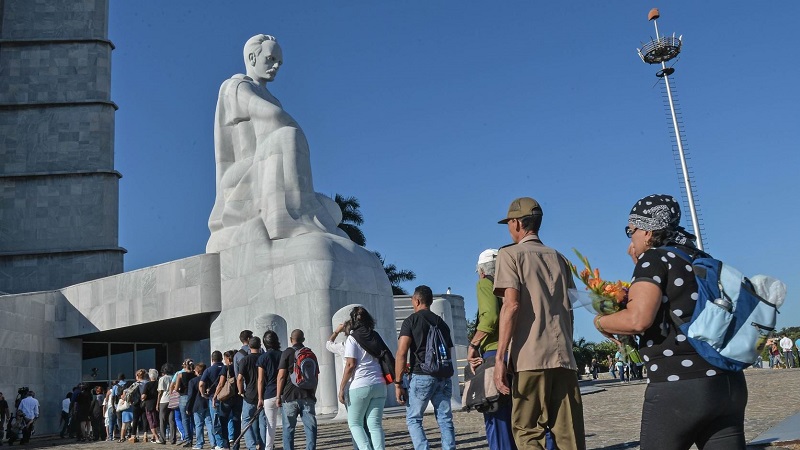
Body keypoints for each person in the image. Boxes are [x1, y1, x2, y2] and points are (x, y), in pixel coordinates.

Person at [593, 194, 748, 449]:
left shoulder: (655, 260)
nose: (629, 240)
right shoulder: (700, 257)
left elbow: (638, 320)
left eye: (630, 231)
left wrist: (601, 322)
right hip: (728, 385)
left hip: (680, 385)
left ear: (646, 230)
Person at [207, 34, 346, 252]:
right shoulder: (235, 86)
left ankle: (300, 215)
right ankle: (288, 221)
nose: (275, 66)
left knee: (332, 210)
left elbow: (275, 114)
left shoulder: (272, 97)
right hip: (242, 174)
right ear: (252, 57)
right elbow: (271, 116)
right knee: (287, 136)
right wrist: (294, 129)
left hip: (268, 166)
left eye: (279, 63)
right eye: (271, 59)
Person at [493, 197, 585, 450]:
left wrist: (501, 358)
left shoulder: (509, 255)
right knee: (570, 436)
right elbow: (570, 309)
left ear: (516, 223)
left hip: (529, 357)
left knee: (527, 431)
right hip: (564, 357)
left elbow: (511, 305)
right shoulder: (560, 258)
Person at [466, 249, 517, 450]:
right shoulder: (511, 286)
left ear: (481, 270)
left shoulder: (485, 283)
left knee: (496, 415)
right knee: (512, 414)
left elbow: (490, 317)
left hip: (494, 353)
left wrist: (474, 344)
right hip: (513, 352)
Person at [395, 285, 456, 450]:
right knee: (445, 418)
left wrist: (398, 382)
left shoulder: (411, 321)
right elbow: (448, 352)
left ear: (417, 300)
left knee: (414, 418)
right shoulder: (442, 323)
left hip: (421, 375)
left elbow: (401, 353)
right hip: (443, 375)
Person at [339, 306, 389, 450]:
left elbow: (350, 364)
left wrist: (342, 387)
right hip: (379, 384)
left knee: (355, 423)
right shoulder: (375, 335)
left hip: (360, 385)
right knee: (375, 425)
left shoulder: (352, 338)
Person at [327, 320, 371, 450]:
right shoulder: (365, 342)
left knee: (355, 423)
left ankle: (359, 447)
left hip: (352, 386)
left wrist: (336, 331)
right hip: (370, 383)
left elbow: (328, 345)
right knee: (368, 423)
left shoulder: (344, 345)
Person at [276, 329, 318, 450]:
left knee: (289, 429)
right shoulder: (310, 353)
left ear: (290, 339)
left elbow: (281, 376)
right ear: (303, 340)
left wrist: (278, 396)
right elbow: (315, 376)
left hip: (289, 396)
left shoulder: (287, 352)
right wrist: (312, 393)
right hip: (308, 396)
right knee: (310, 428)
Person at [238, 337, 266, 450]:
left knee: (246, 420)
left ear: (249, 347)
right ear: (260, 346)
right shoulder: (264, 358)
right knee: (263, 422)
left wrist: (240, 391)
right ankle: (264, 445)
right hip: (264, 394)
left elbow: (239, 378)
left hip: (249, 394)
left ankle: (252, 446)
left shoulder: (245, 360)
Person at [257, 330, 283, 450]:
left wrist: (260, 398)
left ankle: (268, 447)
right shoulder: (283, 355)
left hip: (269, 393)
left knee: (270, 425)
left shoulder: (263, 358)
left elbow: (261, 380)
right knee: (287, 423)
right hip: (283, 393)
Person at [213, 350, 242, 450]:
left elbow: (221, 384)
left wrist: (215, 396)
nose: (224, 361)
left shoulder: (226, 368)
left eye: (225, 358)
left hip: (227, 398)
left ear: (228, 358)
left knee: (223, 421)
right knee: (237, 421)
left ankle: (226, 445)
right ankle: (236, 445)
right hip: (238, 397)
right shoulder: (239, 366)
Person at [199, 351, 225, 449]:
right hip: (228, 397)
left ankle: (220, 444)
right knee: (227, 420)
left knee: (216, 421)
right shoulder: (226, 368)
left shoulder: (209, 370)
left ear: (212, 359)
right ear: (222, 358)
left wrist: (203, 394)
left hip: (214, 398)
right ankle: (228, 440)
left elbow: (201, 384)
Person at [187, 363, 213, 450]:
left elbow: (190, 396)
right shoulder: (209, 380)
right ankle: (213, 443)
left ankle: (199, 443)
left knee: (199, 425)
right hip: (207, 403)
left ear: (197, 371)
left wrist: (188, 407)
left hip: (197, 405)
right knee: (209, 424)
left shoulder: (193, 381)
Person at [173, 359, 197, 445]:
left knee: (185, 419)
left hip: (183, 396)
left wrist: (179, 390)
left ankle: (188, 439)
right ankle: (198, 437)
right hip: (194, 397)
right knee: (194, 419)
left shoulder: (180, 375)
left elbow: (176, 388)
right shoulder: (195, 374)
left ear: (184, 365)